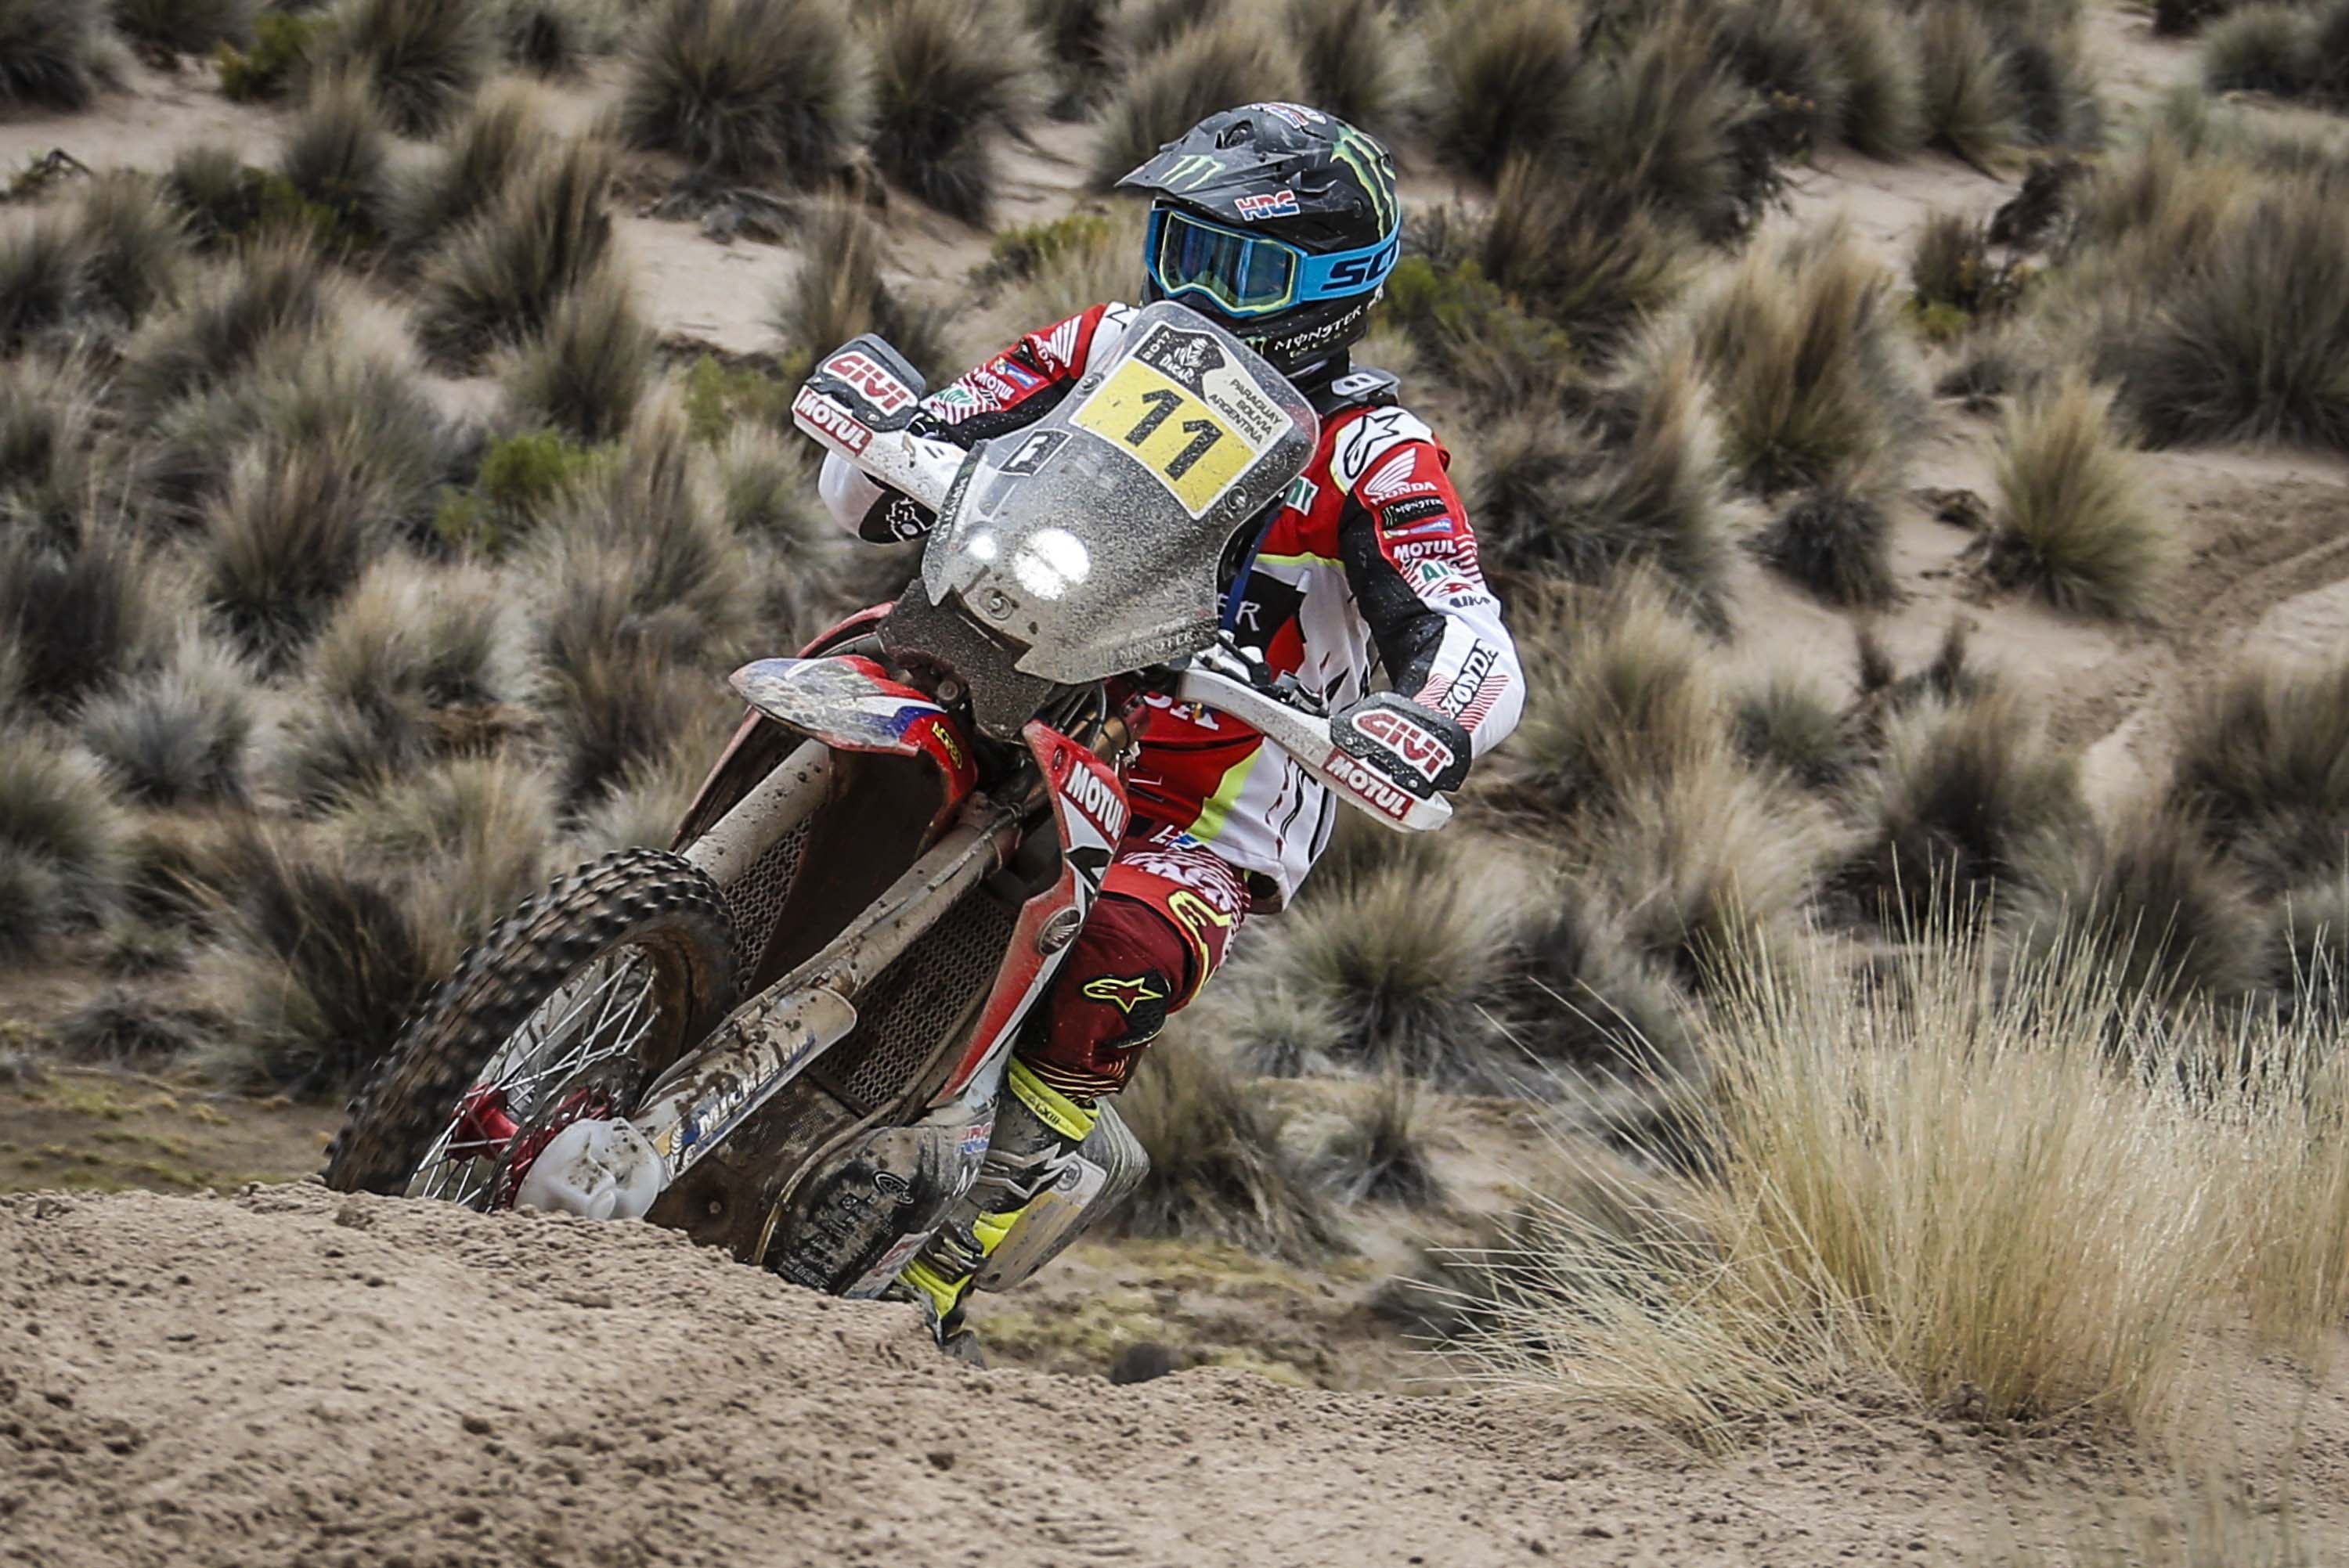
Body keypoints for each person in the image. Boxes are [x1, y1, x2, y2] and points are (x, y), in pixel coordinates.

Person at [816, 103, 1525, 1359]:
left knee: (1127, 945)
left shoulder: (1377, 457)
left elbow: (1462, 622)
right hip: (1012, 687)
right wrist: (888, 448)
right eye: (1181, 251)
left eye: (1240, 270)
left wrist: (1431, 718)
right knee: (847, 698)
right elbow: (936, 431)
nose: (1196, 294)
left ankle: (943, 1262)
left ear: (1332, 289)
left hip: (1201, 804)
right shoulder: (1101, 344)